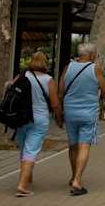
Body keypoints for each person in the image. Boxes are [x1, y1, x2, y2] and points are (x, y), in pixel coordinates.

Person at [59, 43, 105, 197]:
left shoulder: (67, 68)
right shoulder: (95, 69)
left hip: (70, 112)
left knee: (73, 146)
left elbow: (60, 91)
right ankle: (77, 181)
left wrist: (59, 113)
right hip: (88, 113)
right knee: (84, 146)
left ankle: (73, 176)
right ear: (92, 55)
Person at [12, 52, 62, 197]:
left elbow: (11, 90)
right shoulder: (48, 80)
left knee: (24, 149)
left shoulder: (22, 76)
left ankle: (27, 178)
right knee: (31, 150)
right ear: (46, 63)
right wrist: (59, 119)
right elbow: (55, 104)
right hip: (39, 119)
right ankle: (22, 185)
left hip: (21, 118)